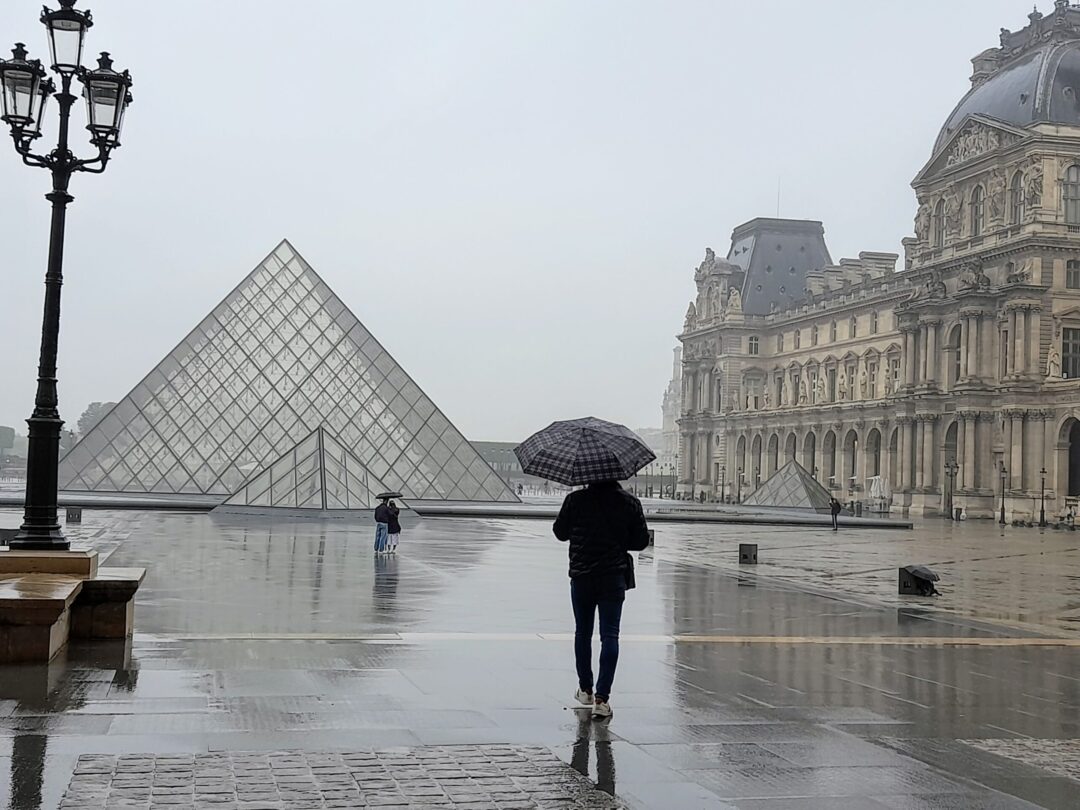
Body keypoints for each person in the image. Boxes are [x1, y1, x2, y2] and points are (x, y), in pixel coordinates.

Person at [553, 479, 650, 720]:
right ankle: (602, 699)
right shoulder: (629, 502)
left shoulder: (575, 500)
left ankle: (585, 689)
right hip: (612, 576)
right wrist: (619, 537)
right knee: (610, 635)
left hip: (581, 576)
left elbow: (559, 533)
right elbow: (640, 541)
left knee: (582, 633)